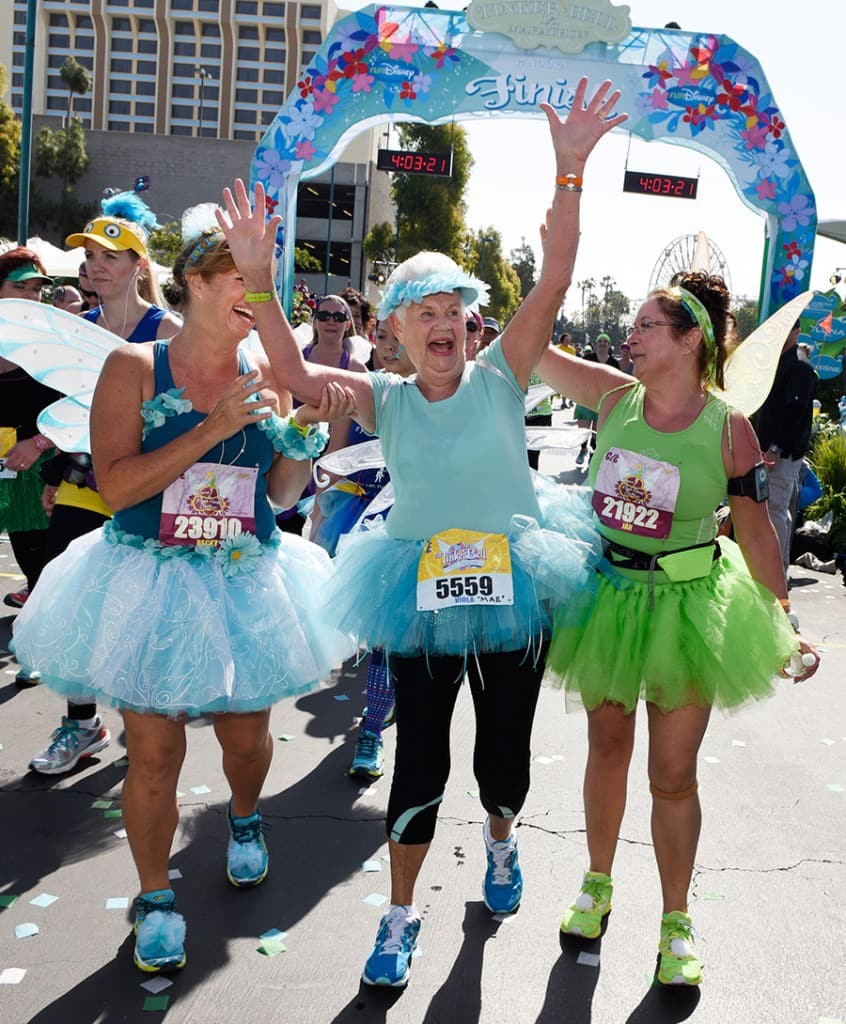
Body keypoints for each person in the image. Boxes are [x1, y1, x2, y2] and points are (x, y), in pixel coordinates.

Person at [217, 76, 625, 989]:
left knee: (504, 758)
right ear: (394, 330)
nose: (444, 326)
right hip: (424, 590)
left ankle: (505, 838)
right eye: (424, 313)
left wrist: (568, 174)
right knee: (422, 756)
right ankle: (400, 918)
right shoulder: (383, 397)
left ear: (473, 324)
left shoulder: (503, 374)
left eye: (456, 312)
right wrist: (255, 279)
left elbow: (555, 277)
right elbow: (288, 368)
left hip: (518, 578)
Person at [12, 225, 355, 974]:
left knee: (245, 742)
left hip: (244, 578)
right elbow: (119, 485)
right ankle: (154, 896)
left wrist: (302, 434)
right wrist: (212, 428)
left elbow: (280, 494)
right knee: (156, 756)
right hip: (151, 577)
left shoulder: (266, 372)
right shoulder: (133, 368)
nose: (257, 298)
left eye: (265, 286)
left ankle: (242, 816)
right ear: (197, 282)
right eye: (243, 280)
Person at [538, 270, 820, 987]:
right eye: (630, 328)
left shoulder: (729, 427)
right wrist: (553, 262)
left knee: (672, 773)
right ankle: (596, 884)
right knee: (607, 745)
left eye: (645, 327)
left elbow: (756, 532)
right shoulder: (611, 398)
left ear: (689, 340)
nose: (629, 338)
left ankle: (676, 922)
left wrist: (782, 620)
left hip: (689, 604)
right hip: (608, 595)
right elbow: (531, 349)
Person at [28, 195, 183, 774]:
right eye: (89, 255)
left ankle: (145, 724)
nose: (93, 265)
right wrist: (53, 472)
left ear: (138, 265)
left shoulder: (168, 330)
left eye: (108, 256)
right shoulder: (77, 329)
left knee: (145, 604)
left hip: (150, 485)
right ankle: (80, 721)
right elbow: (67, 411)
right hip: (85, 480)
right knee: (72, 599)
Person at [0, 249, 61, 634]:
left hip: (33, 471)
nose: (31, 295)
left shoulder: (54, 342)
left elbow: (79, 410)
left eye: (37, 288)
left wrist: (37, 444)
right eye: (20, 287)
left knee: (36, 561)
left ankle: (37, 644)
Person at [752, 320, 818, 573]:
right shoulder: (781, 362)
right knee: (775, 510)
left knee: (776, 510)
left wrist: (775, 448)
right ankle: (774, 567)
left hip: (782, 453)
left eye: (787, 328)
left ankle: (775, 571)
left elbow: (795, 414)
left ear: (797, 332)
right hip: (771, 450)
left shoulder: (799, 365)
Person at [573, 332, 619, 467]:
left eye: (605, 341)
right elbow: (578, 374)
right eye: (600, 341)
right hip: (586, 400)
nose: (603, 343)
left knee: (596, 432)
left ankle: (593, 455)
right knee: (583, 430)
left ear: (609, 345)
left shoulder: (614, 363)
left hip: (603, 402)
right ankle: (582, 450)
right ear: (596, 344)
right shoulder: (588, 358)